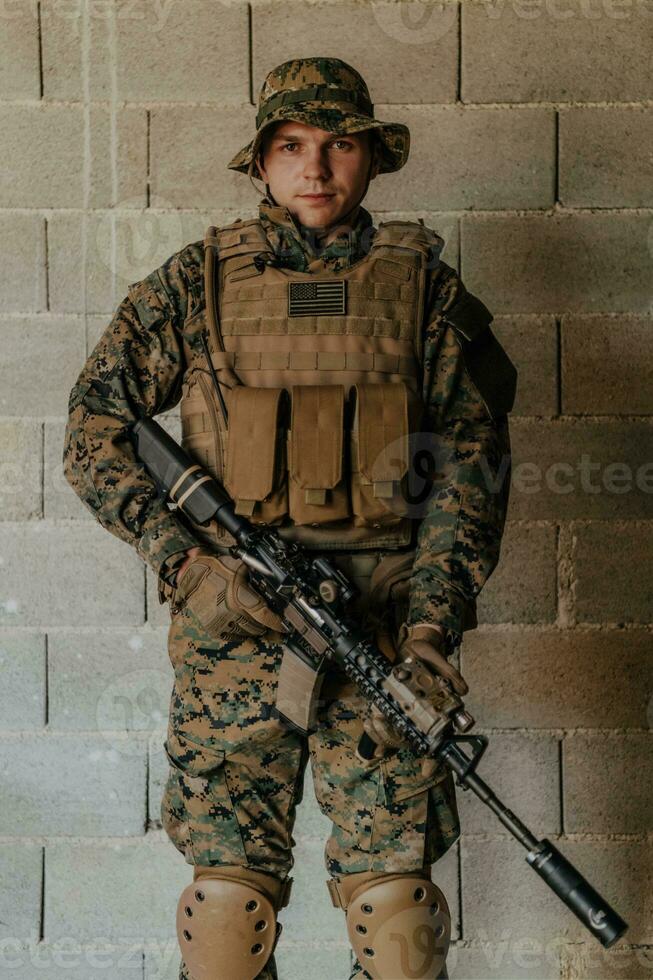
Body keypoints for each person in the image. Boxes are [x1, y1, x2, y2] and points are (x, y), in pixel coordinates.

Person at [63, 57, 516, 980]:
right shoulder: (195, 286)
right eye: (292, 146)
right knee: (226, 919)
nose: (315, 167)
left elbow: (469, 473)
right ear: (262, 163)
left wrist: (431, 629)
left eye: (338, 145)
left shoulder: (427, 298)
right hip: (232, 642)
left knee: (397, 924)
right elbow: (93, 428)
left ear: (370, 160)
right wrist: (188, 567)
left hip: (382, 646)